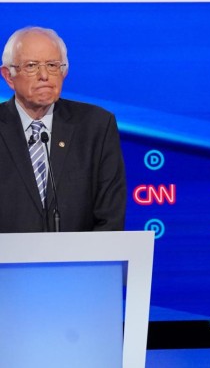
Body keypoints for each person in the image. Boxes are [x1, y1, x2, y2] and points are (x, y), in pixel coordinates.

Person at [0, 26, 126, 232]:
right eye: (31, 66)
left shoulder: (96, 126)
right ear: (9, 76)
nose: (44, 75)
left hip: (81, 261)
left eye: (52, 65)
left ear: (64, 71)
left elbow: (110, 217)